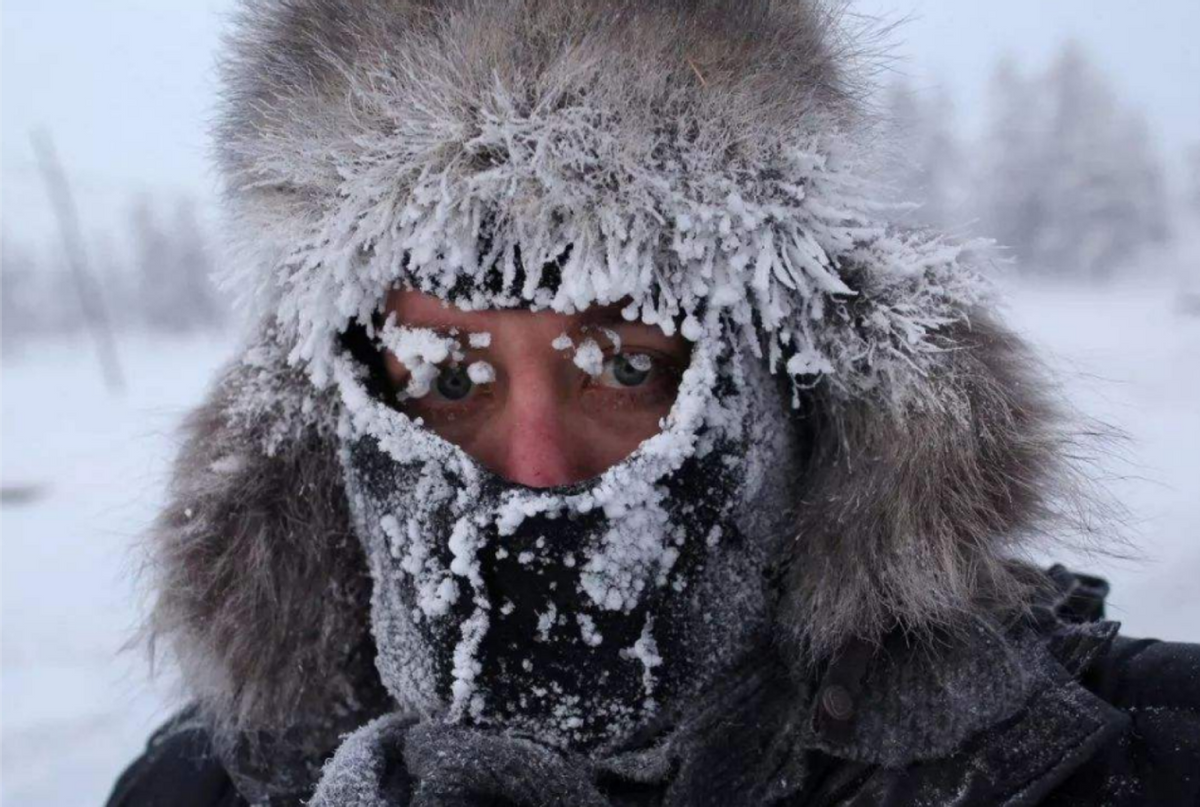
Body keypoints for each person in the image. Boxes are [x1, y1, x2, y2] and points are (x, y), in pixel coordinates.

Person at [107, 1, 1200, 805]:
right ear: (339, 418)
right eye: (447, 377)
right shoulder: (202, 787)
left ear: (781, 384)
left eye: (624, 366)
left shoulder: (1108, 756)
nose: (535, 465)